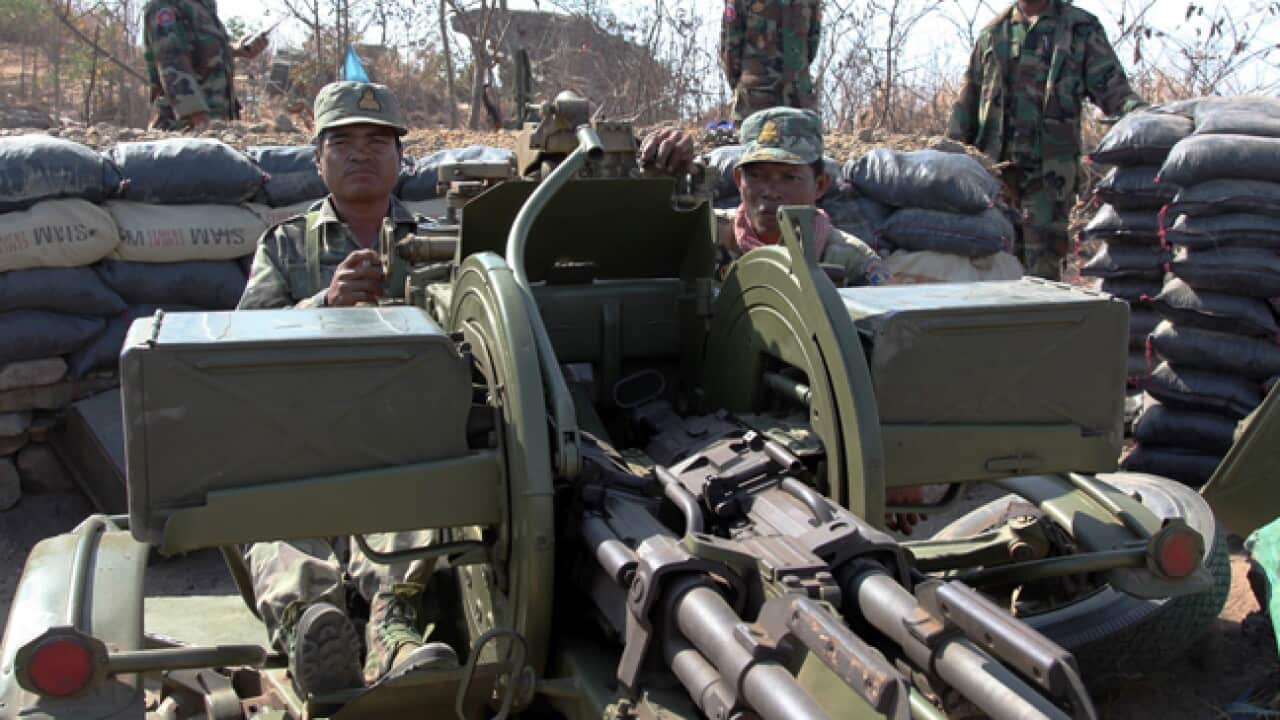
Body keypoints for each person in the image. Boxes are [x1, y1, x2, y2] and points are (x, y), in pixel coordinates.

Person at [237, 80, 456, 697]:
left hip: (404, 433)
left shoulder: (443, 240)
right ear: (318, 160)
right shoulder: (286, 245)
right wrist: (323, 305)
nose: (361, 153)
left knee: (427, 496)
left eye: (377, 141)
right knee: (273, 518)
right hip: (303, 433)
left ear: (400, 158)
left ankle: (392, 627)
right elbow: (242, 347)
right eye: (343, 142)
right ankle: (312, 630)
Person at [947, 0, 1146, 280]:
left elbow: (1113, 89)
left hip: (1048, 178)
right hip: (995, 178)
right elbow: (965, 109)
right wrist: (948, 161)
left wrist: (1145, 116)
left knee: (1041, 272)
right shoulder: (993, 34)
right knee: (992, 268)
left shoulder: (1079, 28)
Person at [142, 0, 268, 131]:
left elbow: (201, 51)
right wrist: (199, 118)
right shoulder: (165, 6)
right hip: (183, 128)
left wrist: (237, 50)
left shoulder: (203, 6)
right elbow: (172, 63)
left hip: (217, 123)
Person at [720, 0, 821, 123]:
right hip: (792, 98)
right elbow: (812, 45)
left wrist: (739, 84)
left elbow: (731, 50)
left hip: (760, 99)